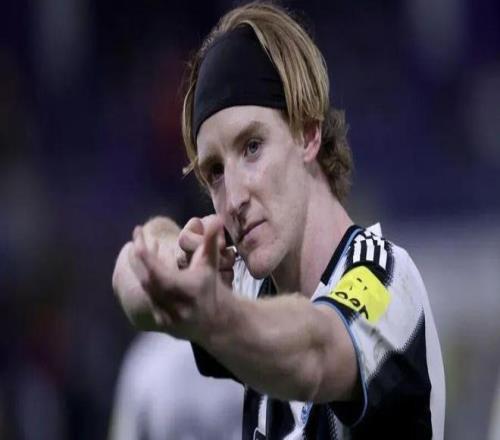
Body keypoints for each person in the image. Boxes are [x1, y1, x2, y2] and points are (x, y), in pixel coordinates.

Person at [112, 2, 446, 439]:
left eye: (252, 146)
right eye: (215, 171)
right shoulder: (255, 289)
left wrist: (215, 314)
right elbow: (127, 275)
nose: (234, 198)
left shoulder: (385, 279)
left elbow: (315, 353)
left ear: (308, 133)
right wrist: (174, 259)